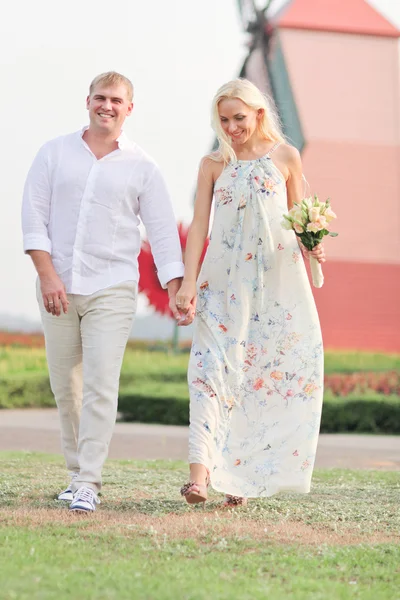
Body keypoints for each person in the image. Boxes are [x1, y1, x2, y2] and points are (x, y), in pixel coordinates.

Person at [22, 71, 193, 512]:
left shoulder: (143, 167)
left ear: (129, 108)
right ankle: (76, 472)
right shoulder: (54, 153)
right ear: (87, 101)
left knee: (100, 382)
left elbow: (162, 233)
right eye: (101, 97)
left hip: (112, 287)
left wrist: (177, 289)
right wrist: (47, 275)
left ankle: (89, 483)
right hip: (57, 285)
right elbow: (33, 217)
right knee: (67, 386)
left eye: (117, 100)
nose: (108, 106)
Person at [176, 78, 325, 507]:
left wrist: (316, 245)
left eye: (238, 118)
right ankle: (199, 477)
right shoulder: (212, 165)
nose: (232, 127)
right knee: (207, 372)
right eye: (223, 120)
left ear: (259, 114)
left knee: (258, 378)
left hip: (275, 289)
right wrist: (188, 282)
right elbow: (199, 228)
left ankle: (236, 480)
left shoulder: (286, 158)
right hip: (221, 285)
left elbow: (302, 223)